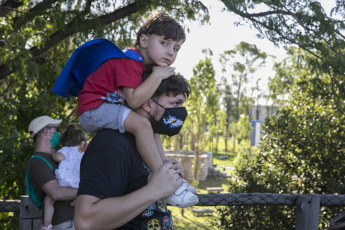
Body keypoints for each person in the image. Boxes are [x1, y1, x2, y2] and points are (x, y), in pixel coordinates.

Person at [77, 10, 197, 207]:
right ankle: (163, 181)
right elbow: (133, 101)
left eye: (176, 48)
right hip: (94, 108)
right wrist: (157, 76)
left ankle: (167, 175)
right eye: (164, 43)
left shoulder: (140, 65)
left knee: (151, 126)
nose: (170, 52)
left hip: (106, 106)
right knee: (142, 124)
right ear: (143, 41)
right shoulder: (130, 60)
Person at [75, 74, 196, 229]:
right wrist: (154, 191)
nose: (181, 111)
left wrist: (169, 178)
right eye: (175, 103)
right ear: (148, 104)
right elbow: (85, 221)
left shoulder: (147, 141)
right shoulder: (111, 145)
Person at [27, 116, 78, 230]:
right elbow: (57, 193)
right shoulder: (37, 163)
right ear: (46, 131)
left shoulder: (60, 154)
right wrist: (87, 191)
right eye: (57, 130)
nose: (59, 134)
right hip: (65, 225)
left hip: (80, 220)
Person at [42, 124, 88, 230]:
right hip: (77, 183)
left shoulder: (66, 149)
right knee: (82, 195)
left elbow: (58, 158)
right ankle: (75, 202)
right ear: (82, 143)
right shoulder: (83, 154)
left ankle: (47, 225)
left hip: (63, 182)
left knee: (48, 200)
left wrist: (53, 152)